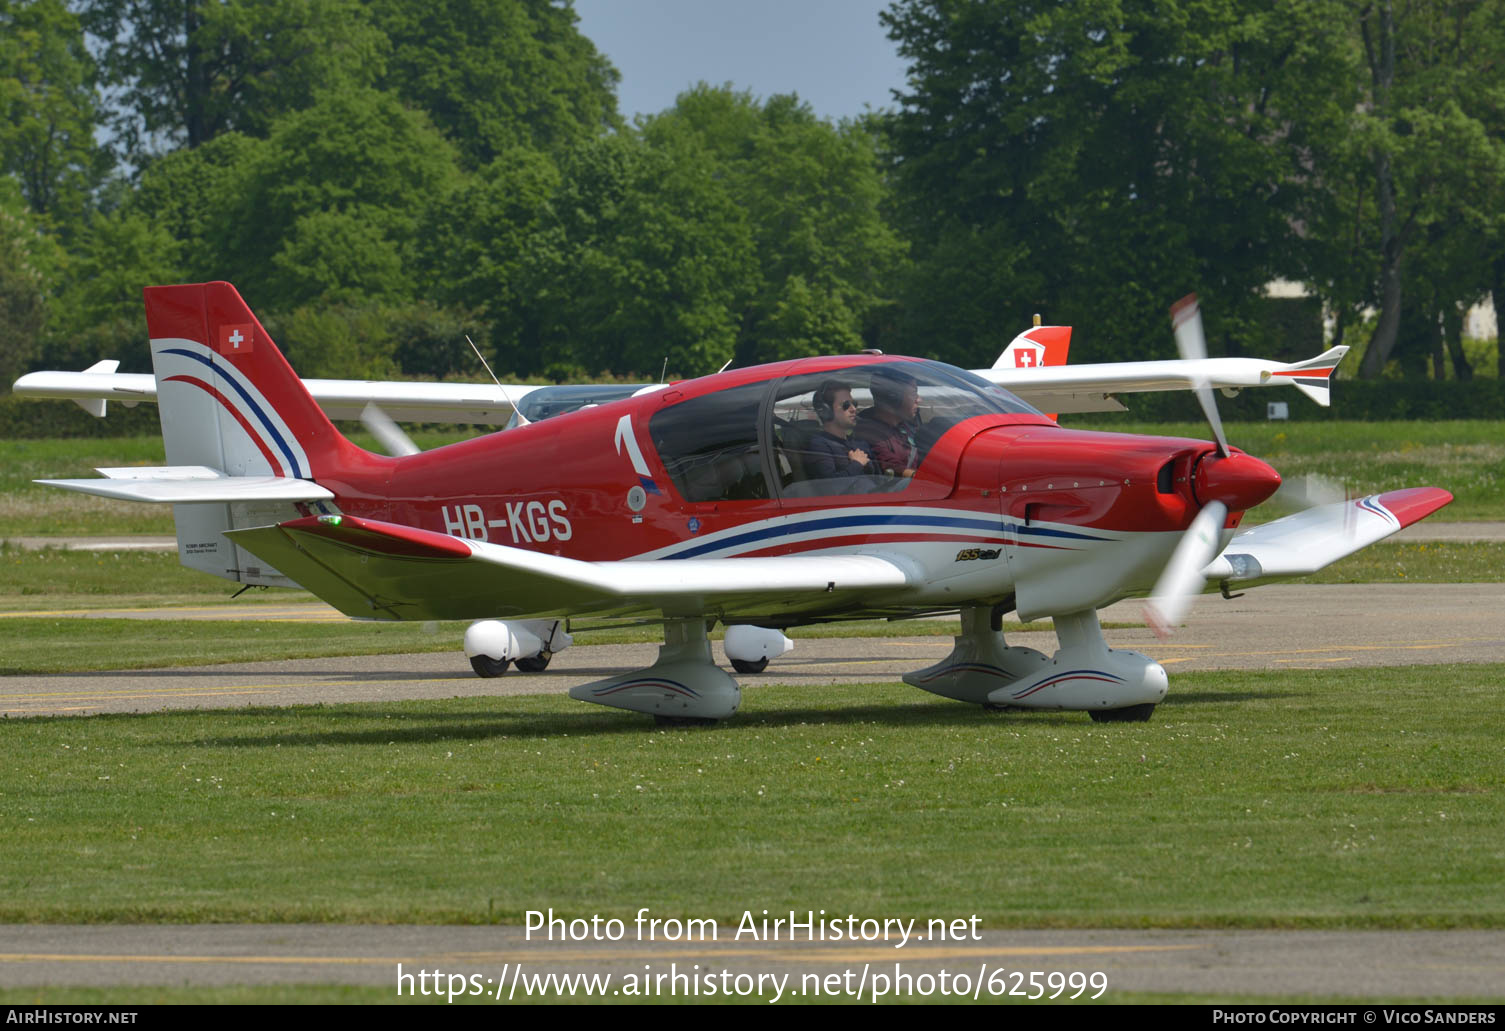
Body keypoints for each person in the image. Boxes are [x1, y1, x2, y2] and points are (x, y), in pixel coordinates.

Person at [854, 366, 920, 477]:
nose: (919, 399)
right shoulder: (868, 431)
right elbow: (892, 466)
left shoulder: (906, 424)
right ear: (894, 398)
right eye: (914, 393)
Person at [804, 381, 871, 479]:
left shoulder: (856, 442)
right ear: (827, 410)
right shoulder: (819, 445)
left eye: (854, 403)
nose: (853, 409)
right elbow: (830, 486)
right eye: (846, 404)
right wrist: (857, 464)